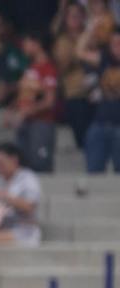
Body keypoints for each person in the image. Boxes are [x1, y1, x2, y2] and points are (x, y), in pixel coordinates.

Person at [8, 33, 59, 173]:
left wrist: (24, 112)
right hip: (25, 123)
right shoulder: (31, 67)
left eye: (26, 42)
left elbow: (49, 101)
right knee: (21, 164)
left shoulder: (48, 68)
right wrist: (12, 110)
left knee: (39, 165)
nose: (23, 47)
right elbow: (24, 95)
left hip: (41, 124)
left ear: (37, 43)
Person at [0, 142, 43, 247]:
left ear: (14, 159)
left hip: (24, 230)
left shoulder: (28, 178)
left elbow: (30, 206)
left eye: (1, 162)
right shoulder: (0, 181)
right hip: (2, 229)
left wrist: (1, 195)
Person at [79, 29, 120, 173]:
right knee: (93, 172)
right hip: (100, 123)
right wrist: (91, 27)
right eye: (114, 44)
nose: (117, 48)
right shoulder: (104, 60)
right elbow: (79, 52)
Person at [54, 0, 93, 150]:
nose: (75, 18)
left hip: (96, 93)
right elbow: (62, 66)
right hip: (75, 94)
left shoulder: (93, 36)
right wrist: (79, 48)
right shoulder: (62, 41)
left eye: (78, 15)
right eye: (71, 15)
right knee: (82, 137)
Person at [0, 10, 30, 110]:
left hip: (13, 107)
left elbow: (29, 77)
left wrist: (10, 88)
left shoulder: (18, 51)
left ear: (6, 26)